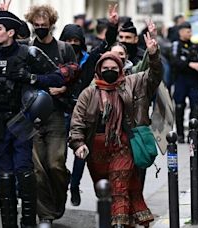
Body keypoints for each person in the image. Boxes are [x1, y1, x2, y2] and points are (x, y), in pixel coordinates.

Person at [0, 10, 64, 228]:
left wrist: (31, 77)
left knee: (24, 170)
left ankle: (28, 223)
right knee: (4, 173)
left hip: (21, 121)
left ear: (10, 32)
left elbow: (57, 77)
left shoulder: (29, 54)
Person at [69, 30, 161, 228]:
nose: (110, 70)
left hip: (122, 146)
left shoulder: (132, 83)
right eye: (106, 67)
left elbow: (154, 76)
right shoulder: (88, 93)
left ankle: (119, 225)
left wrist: (153, 54)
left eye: (114, 67)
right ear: (99, 70)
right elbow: (77, 123)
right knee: (107, 192)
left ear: (120, 69)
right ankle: (121, 222)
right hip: (96, 151)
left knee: (119, 188)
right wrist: (79, 144)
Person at [58, 5, 119, 207]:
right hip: (59, 112)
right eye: (68, 41)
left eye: (76, 41)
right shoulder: (55, 59)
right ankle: (62, 185)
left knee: (81, 152)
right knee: (57, 157)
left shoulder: (88, 59)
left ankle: (74, 186)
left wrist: (112, 25)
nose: (72, 45)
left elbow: (106, 44)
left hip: (82, 113)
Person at [25, 4, 77, 224]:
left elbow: (76, 77)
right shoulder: (26, 49)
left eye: (43, 26)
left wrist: (64, 88)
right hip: (31, 116)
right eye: (36, 26)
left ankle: (59, 199)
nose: (40, 28)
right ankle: (45, 214)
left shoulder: (64, 49)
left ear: (51, 25)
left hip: (56, 114)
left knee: (55, 164)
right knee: (36, 170)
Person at [171, 22, 198, 144]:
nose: (190, 33)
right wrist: (189, 64)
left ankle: (193, 135)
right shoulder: (176, 45)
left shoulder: (194, 46)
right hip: (181, 80)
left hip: (194, 81)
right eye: (187, 31)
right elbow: (174, 61)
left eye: (190, 31)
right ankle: (180, 134)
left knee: (196, 107)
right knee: (179, 107)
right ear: (181, 32)